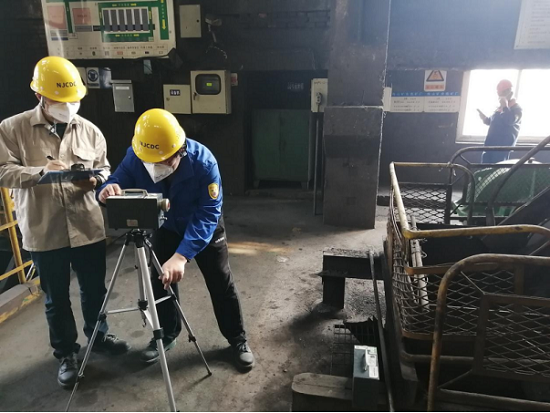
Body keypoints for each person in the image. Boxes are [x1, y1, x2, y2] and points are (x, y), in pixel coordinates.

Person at [0, 56, 129, 388]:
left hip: (86, 225)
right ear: (40, 96)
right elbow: (3, 171)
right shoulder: (12, 129)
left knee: (94, 290)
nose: (68, 107)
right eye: (61, 101)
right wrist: (40, 173)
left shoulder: (90, 130)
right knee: (56, 297)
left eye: (73, 100)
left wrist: (97, 180)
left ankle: (99, 337)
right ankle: (67, 355)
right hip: (44, 229)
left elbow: (104, 168)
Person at [97, 109, 255, 370]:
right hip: (166, 225)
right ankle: (167, 334)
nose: (156, 166)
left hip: (203, 227)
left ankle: (237, 339)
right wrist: (106, 190)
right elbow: (116, 180)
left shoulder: (203, 162)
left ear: (180, 150)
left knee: (220, 280)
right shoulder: (136, 156)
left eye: (164, 160)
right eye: (150, 161)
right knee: (161, 281)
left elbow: (208, 213)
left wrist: (182, 256)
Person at [478, 79, 523, 164]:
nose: (500, 96)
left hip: (502, 147)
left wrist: (505, 106)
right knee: (485, 168)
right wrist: (485, 119)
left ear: (510, 93)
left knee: (498, 168)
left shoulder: (516, 109)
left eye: (502, 93)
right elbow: (493, 121)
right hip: (490, 145)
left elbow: (509, 120)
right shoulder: (500, 109)